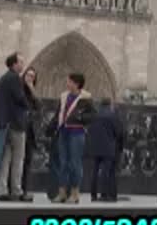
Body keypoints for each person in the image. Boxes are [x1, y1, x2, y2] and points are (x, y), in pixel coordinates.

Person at [0, 52, 29, 200]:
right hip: (16, 124)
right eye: (20, 62)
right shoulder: (14, 78)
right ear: (13, 64)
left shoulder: (3, 79)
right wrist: (27, 105)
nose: (22, 65)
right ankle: (16, 191)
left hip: (3, 124)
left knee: (5, 159)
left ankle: (2, 191)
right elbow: (20, 98)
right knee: (18, 159)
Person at [52, 72, 95, 203]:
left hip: (77, 133)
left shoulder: (86, 97)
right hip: (63, 132)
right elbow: (59, 112)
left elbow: (93, 115)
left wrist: (80, 118)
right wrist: (53, 127)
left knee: (75, 163)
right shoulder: (64, 96)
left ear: (76, 83)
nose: (67, 83)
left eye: (70, 81)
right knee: (63, 162)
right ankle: (62, 192)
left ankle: (75, 193)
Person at [86, 97, 123, 202]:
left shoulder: (95, 115)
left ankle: (93, 195)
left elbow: (90, 130)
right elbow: (118, 132)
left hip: (95, 147)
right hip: (108, 147)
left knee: (95, 171)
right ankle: (104, 195)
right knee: (105, 172)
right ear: (109, 104)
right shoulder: (112, 116)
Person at [19, 67, 39, 200]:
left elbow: (39, 106)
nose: (30, 78)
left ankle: (24, 189)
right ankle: (15, 188)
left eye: (33, 76)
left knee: (27, 161)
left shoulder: (32, 93)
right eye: (28, 75)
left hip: (29, 132)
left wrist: (32, 89)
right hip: (19, 129)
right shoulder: (18, 90)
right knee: (17, 161)